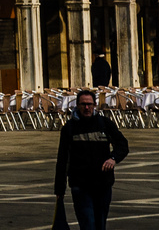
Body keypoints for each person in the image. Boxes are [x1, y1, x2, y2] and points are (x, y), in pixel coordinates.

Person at [54, 89, 129, 230]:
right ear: (77, 105)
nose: (86, 108)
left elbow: (123, 145)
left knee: (100, 224)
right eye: (83, 104)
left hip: (102, 184)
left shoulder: (105, 124)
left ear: (95, 105)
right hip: (80, 185)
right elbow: (63, 159)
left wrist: (113, 158)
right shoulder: (69, 129)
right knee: (87, 224)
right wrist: (60, 188)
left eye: (89, 104)